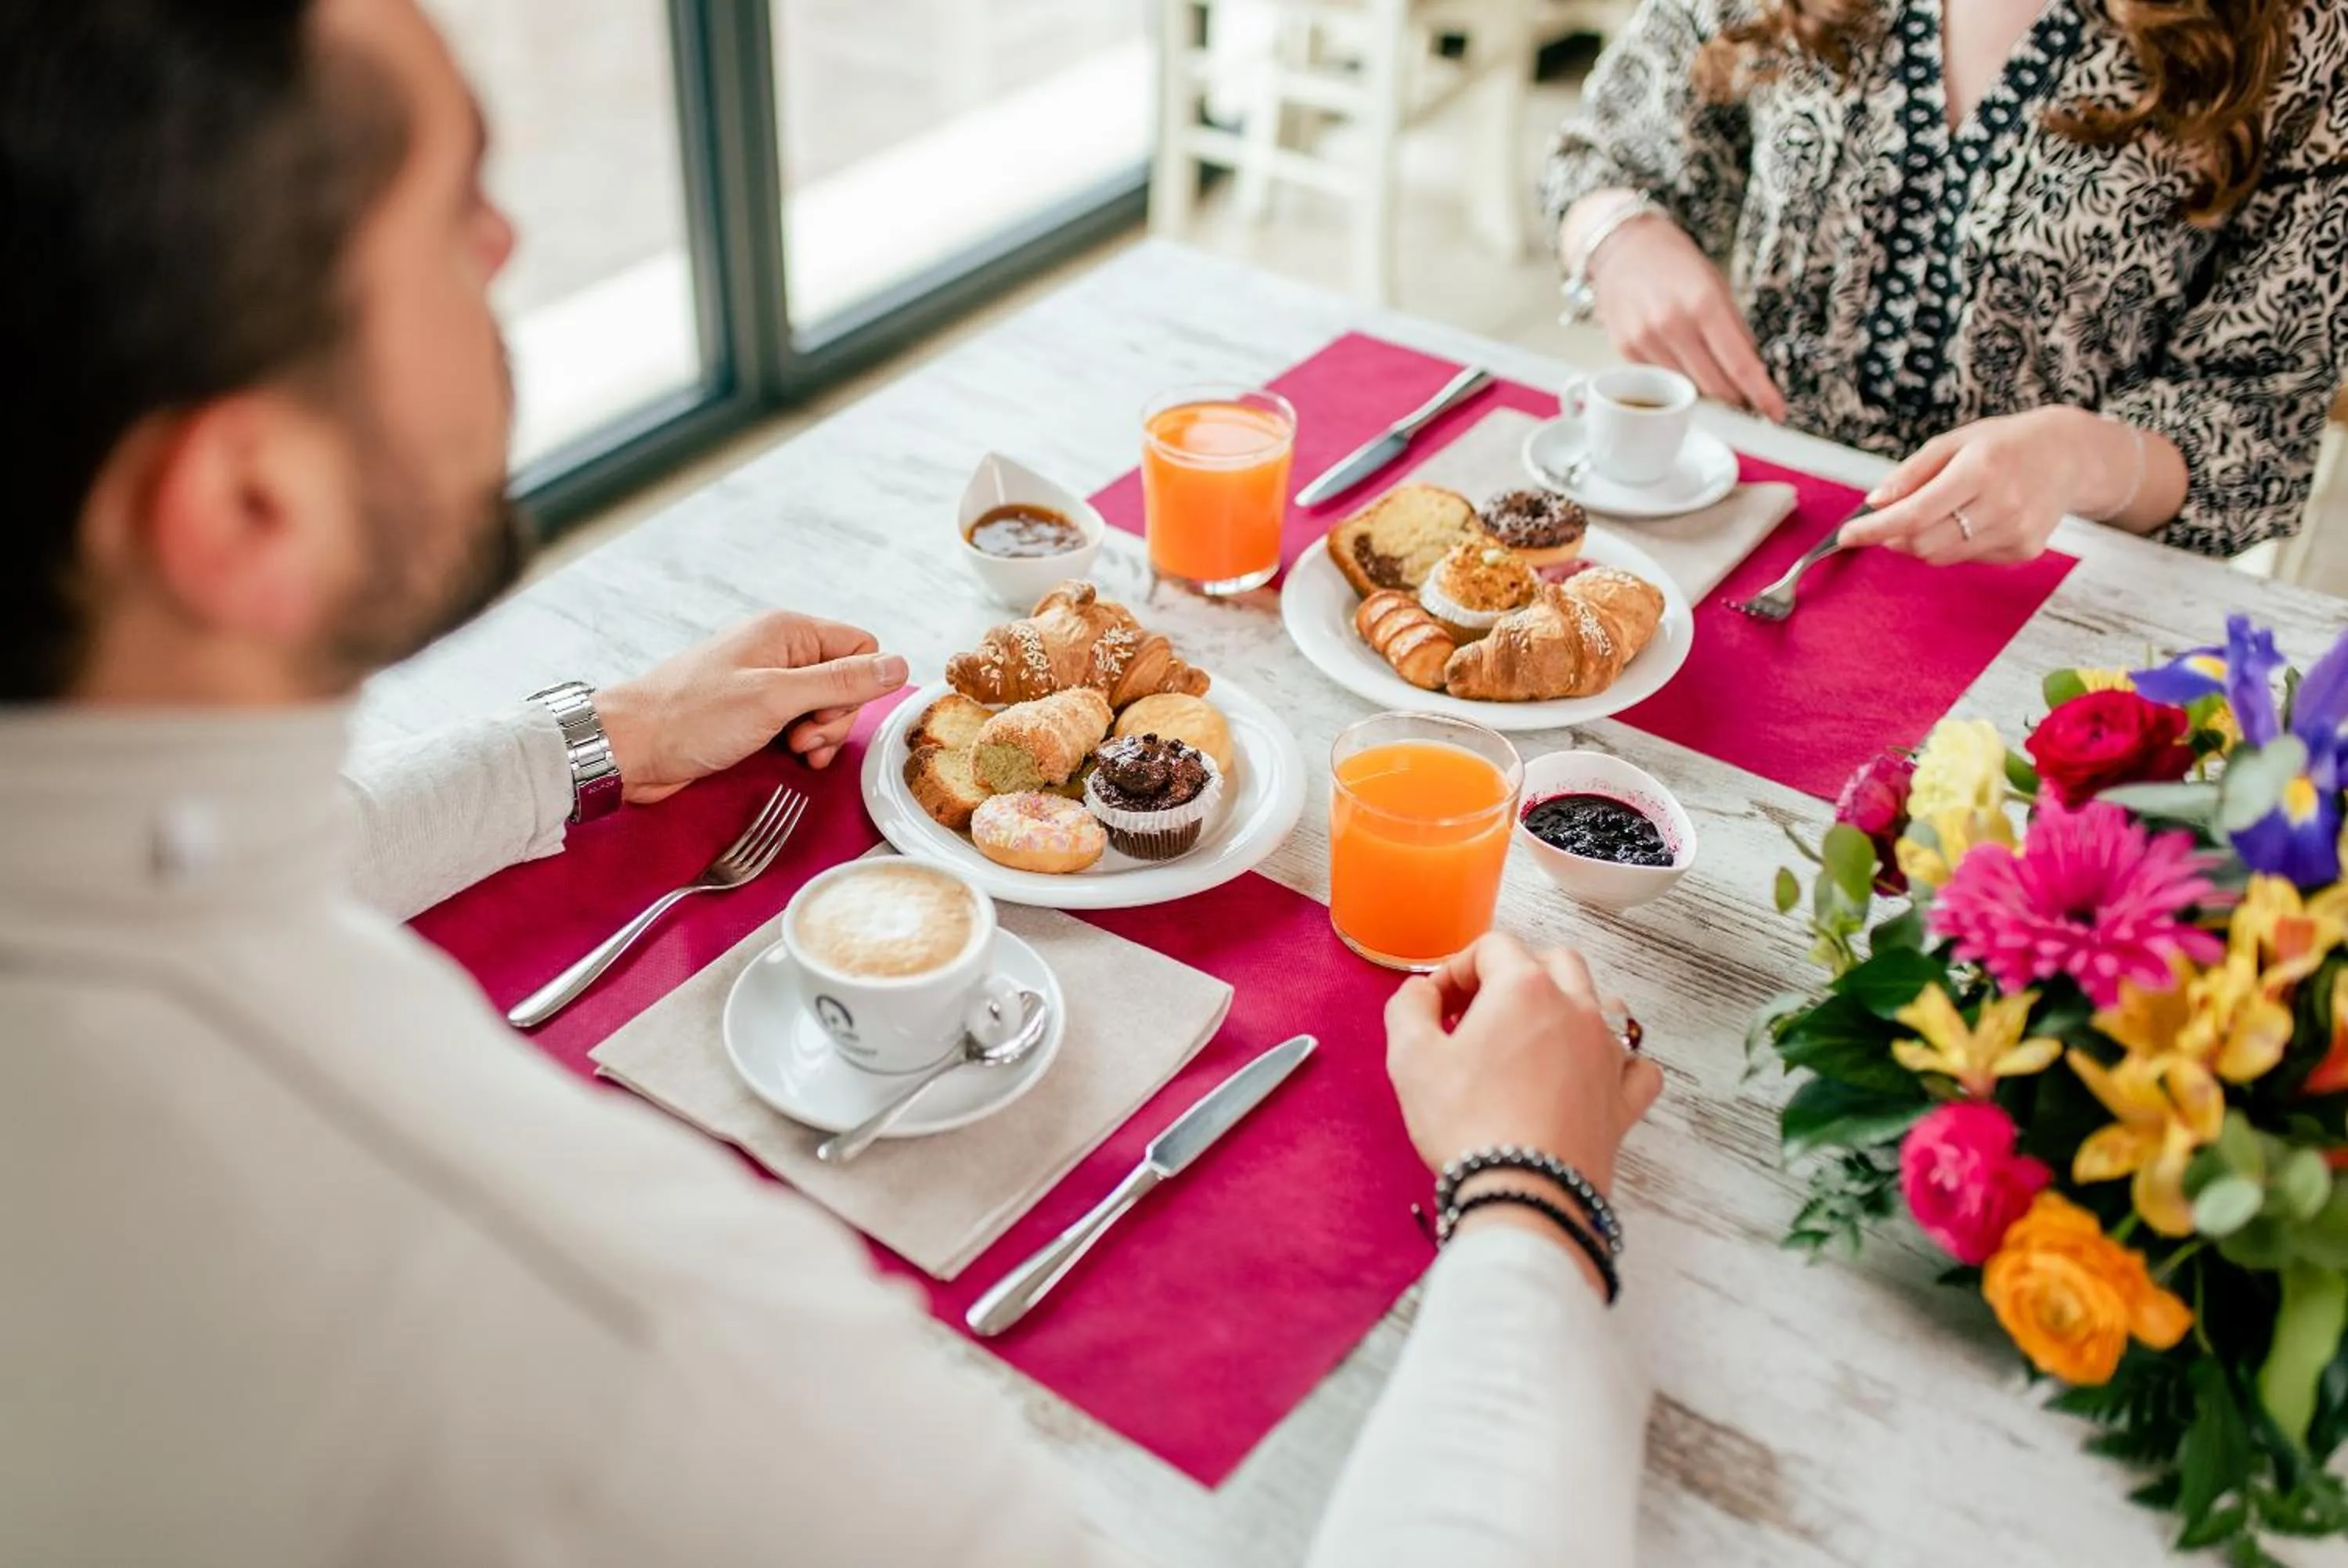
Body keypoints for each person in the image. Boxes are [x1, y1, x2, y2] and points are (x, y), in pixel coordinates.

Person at [0, 2, 1666, 1563]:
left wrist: (606, 736)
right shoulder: (591, 1309)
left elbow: (265, 848)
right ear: (248, 506)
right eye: (447, 215)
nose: (505, 245)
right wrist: (1533, 1198)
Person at [1543, 0, 2348, 566]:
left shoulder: (2298, 34)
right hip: (1727, 526)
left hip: (2053, 588)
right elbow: (1602, 153)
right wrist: (1619, 238)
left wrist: (2080, 459)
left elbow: (2262, 427)